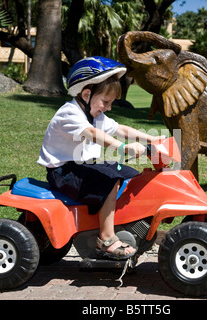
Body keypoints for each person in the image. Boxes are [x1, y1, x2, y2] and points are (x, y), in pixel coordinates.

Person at [37, 56, 165, 260]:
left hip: (82, 166)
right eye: (105, 102)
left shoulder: (95, 115)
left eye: (111, 103)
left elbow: (120, 129)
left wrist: (152, 138)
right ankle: (105, 238)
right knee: (108, 180)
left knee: (130, 174)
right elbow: (93, 134)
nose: (108, 107)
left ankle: (125, 224)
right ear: (86, 95)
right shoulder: (69, 114)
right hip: (63, 172)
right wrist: (123, 148)